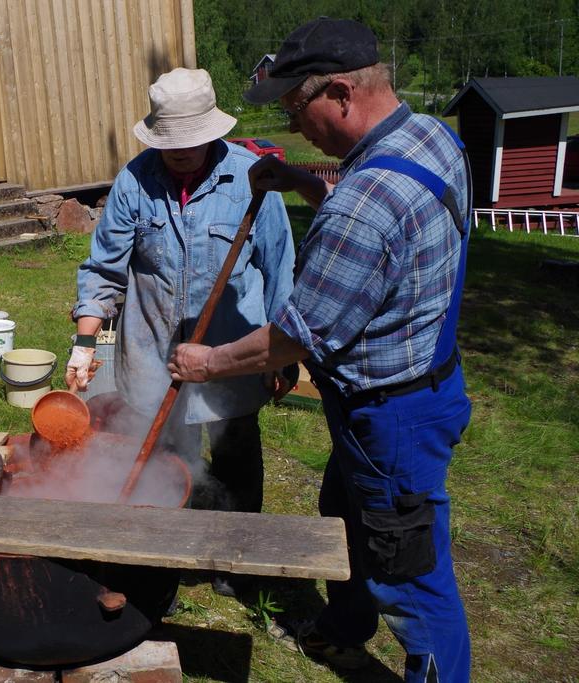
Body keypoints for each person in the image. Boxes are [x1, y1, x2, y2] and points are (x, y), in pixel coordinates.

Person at [167, 18, 473, 683]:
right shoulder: (432, 137)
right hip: (425, 385)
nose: (291, 125)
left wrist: (206, 362)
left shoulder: (359, 213)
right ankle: (341, 627)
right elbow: (378, 194)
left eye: (293, 107)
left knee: (412, 578)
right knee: (344, 513)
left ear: (339, 92)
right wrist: (301, 181)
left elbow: (291, 338)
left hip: (389, 415)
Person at [67, 67, 297, 596]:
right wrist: (84, 344)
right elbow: (103, 271)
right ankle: (163, 561)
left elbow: (280, 270)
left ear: (213, 131)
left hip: (232, 351)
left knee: (237, 452)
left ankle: (235, 564)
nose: (182, 152)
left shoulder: (252, 180)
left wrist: (282, 356)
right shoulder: (135, 181)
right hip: (152, 352)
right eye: (172, 144)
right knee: (165, 460)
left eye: (192, 142)